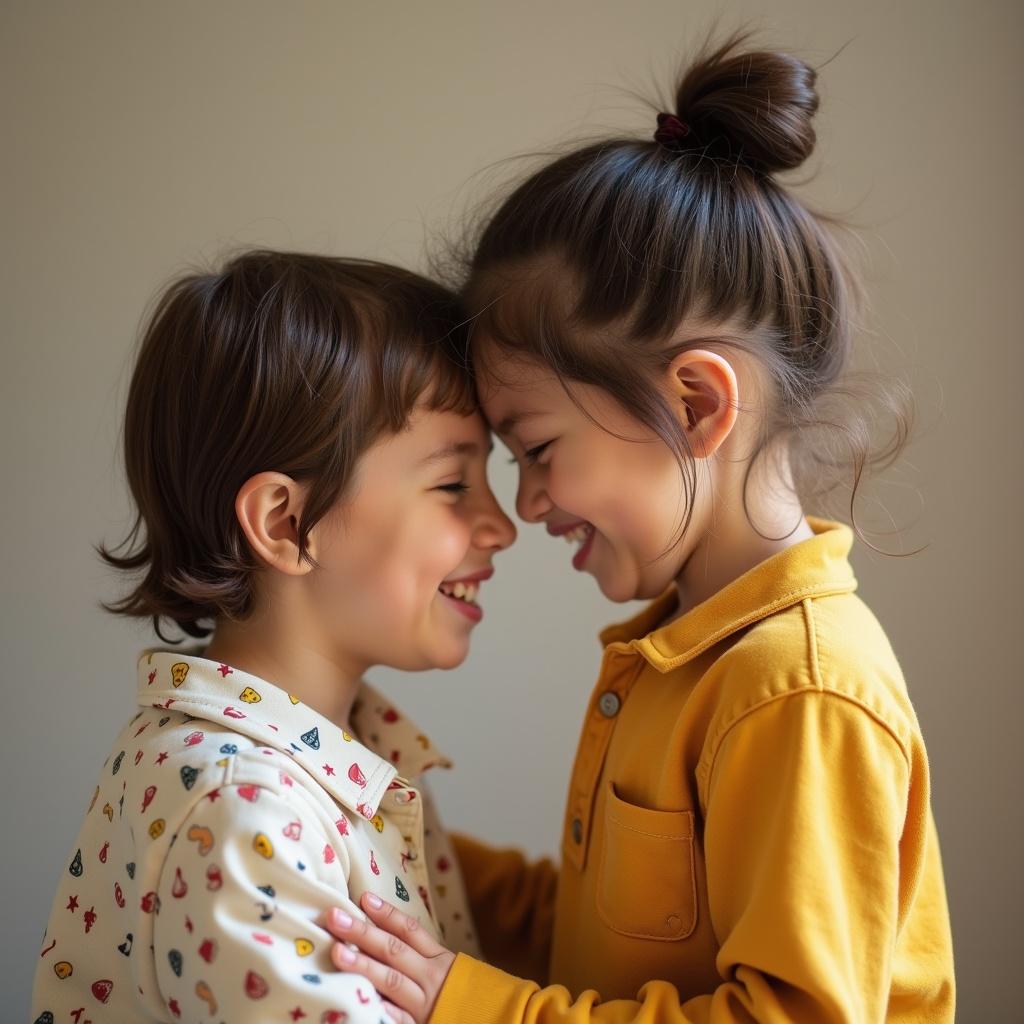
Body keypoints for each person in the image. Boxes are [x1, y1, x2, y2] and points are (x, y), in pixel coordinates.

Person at [322, 35, 956, 1023]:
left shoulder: (798, 688)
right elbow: (601, 940)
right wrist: (395, 846)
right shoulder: (685, 653)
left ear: (699, 405)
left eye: (535, 448)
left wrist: (485, 1008)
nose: (525, 505)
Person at [30, 250, 516, 1024]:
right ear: (286, 525)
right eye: (454, 484)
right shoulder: (244, 812)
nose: (503, 525)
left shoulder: (348, 758)